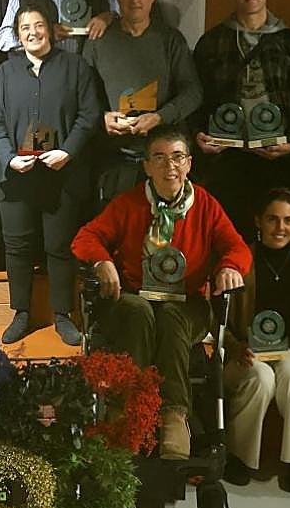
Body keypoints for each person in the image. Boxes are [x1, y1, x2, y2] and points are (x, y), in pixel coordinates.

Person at [71, 125, 250, 459]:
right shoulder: (129, 203)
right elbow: (85, 238)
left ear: (189, 164)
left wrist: (229, 267)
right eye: (160, 158)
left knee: (171, 316)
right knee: (139, 311)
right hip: (135, 297)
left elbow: (237, 247)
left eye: (178, 157)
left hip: (185, 303)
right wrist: (101, 261)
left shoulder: (206, 206)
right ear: (147, 166)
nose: (170, 166)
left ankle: (173, 416)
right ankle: (127, 410)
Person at [0, 0, 102, 347]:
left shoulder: (76, 67)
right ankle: (21, 313)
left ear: (51, 29)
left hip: (61, 174)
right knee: (17, 247)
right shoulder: (6, 72)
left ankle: (63, 314)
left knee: (60, 246)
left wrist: (67, 151)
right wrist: (8, 157)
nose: (32, 33)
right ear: (17, 34)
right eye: (25, 28)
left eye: (38, 25)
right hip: (16, 176)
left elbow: (89, 115)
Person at [191, 0, 290, 232]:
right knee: (229, 229)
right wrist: (199, 133)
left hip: (276, 155)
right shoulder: (212, 41)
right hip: (227, 156)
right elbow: (196, 96)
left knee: (276, 230)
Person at [222, 188, 290, 491]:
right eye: (272, 219)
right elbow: (217, 320)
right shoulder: (240, 259)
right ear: (258, 221)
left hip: (289, 350)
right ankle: (238, 457)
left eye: (288, 220)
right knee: (261, 377)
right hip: (243, 351)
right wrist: (235, 347)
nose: (280, 227)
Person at [82, 0, 201, 207]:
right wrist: (101, 118)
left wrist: (160, 117)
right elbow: (82, 95)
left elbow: (193, 92)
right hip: (115, 160)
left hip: (164, 162)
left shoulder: (171, 39)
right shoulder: (98, 42)